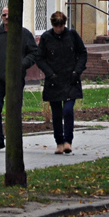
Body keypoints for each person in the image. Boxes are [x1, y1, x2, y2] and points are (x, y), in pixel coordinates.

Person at [0, 7, 38, 151]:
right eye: (4, 15)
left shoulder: (23, 34)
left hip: (15, 79)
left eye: (9, 15)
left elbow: (34, 53)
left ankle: (14, 140)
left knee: (14, 108)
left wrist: (21, 65)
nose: (7, 18)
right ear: (1, 16)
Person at [36, 10, 88, 155]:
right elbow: (39, 58)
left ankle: (68, 141)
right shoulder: (46, 38)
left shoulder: (72, 36)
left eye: (61, 26)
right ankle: (59, 142)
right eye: (56, 26)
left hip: (71, 79)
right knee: (57, 113)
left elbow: (82, 53)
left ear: (64, 24)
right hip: (54, 80)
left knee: (68, 111)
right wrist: (49, 73)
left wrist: (76, 71)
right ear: (53, 25)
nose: (58, 29)